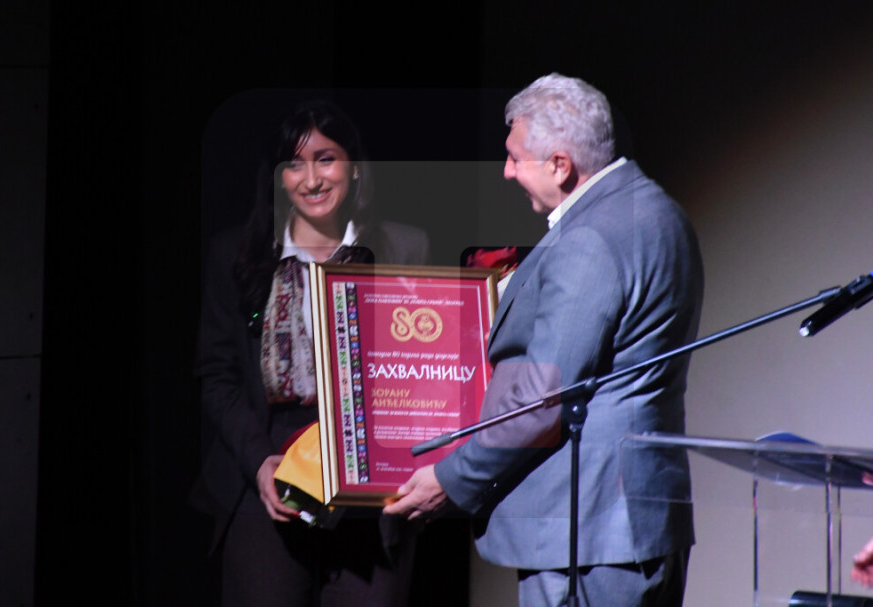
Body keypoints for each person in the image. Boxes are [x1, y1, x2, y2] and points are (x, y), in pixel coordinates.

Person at [384, 73, 704, 607]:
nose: (507, 171)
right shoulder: (663, 213)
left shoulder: (588, 239)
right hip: (644, 520)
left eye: (515, 158)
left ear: (560, 164)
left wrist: (451, 480)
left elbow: (540, 402)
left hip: (584, 529)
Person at [193, 99, 429, 607]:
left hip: (370, 477)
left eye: (326, 159)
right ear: (279, 178)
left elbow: (425, 369)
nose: (312, 178)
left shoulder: (403, 249)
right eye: (294, 164)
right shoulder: (235, 254)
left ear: (354, 168)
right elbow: (218, 376)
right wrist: (259, 462)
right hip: (267, 464)